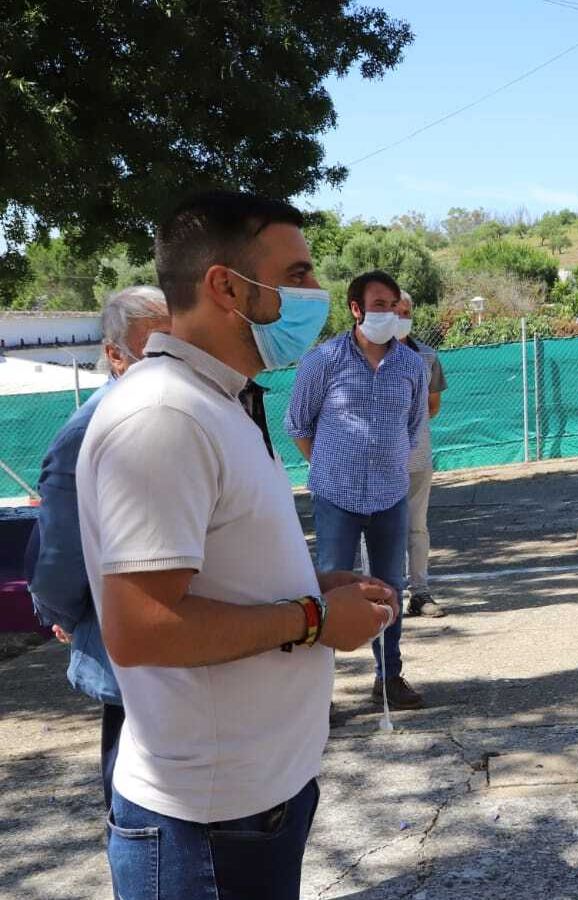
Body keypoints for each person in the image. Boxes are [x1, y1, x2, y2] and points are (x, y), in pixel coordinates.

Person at [77, 190, 399, 899]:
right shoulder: (164, 416)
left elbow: (212, 573)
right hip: (207, 826)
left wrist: (319, 585)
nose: (317, 293)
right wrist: (313, 621)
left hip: (251, 803)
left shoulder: (214, 401)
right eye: (300, 274)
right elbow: (140, 627)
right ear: (226, 285)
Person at [27, 285, 170, 810]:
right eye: (157, 344)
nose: (172, 357)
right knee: (139, 805)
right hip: (128, 653)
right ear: (115, 354)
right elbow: (59, 550)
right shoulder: (88, 429)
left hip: (190, 651)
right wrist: (62, 610)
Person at [288, 270, 429, 709]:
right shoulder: (324, 360)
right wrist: (329, 467)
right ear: (355, 309)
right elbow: (298, 424)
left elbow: (412, 427)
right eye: (379, 305)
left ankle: (388, 677)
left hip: (390, 495)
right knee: (329, 590)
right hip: (335, 496)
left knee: (390, 588)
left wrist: (384, 464)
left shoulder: (412, 365)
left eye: (394, 304)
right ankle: (318, 696)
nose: (389, 313)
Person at [396, 290, 447, 618]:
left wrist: (405, 428)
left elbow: (433, 406)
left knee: (416, 527)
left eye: (405, 312)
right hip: (374, 464)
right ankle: (385, 594)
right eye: (391, 311)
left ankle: (420, 593)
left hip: (416, 459)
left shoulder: (427, 356)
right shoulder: (359, 356)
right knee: (377, 528)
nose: (399, 318)